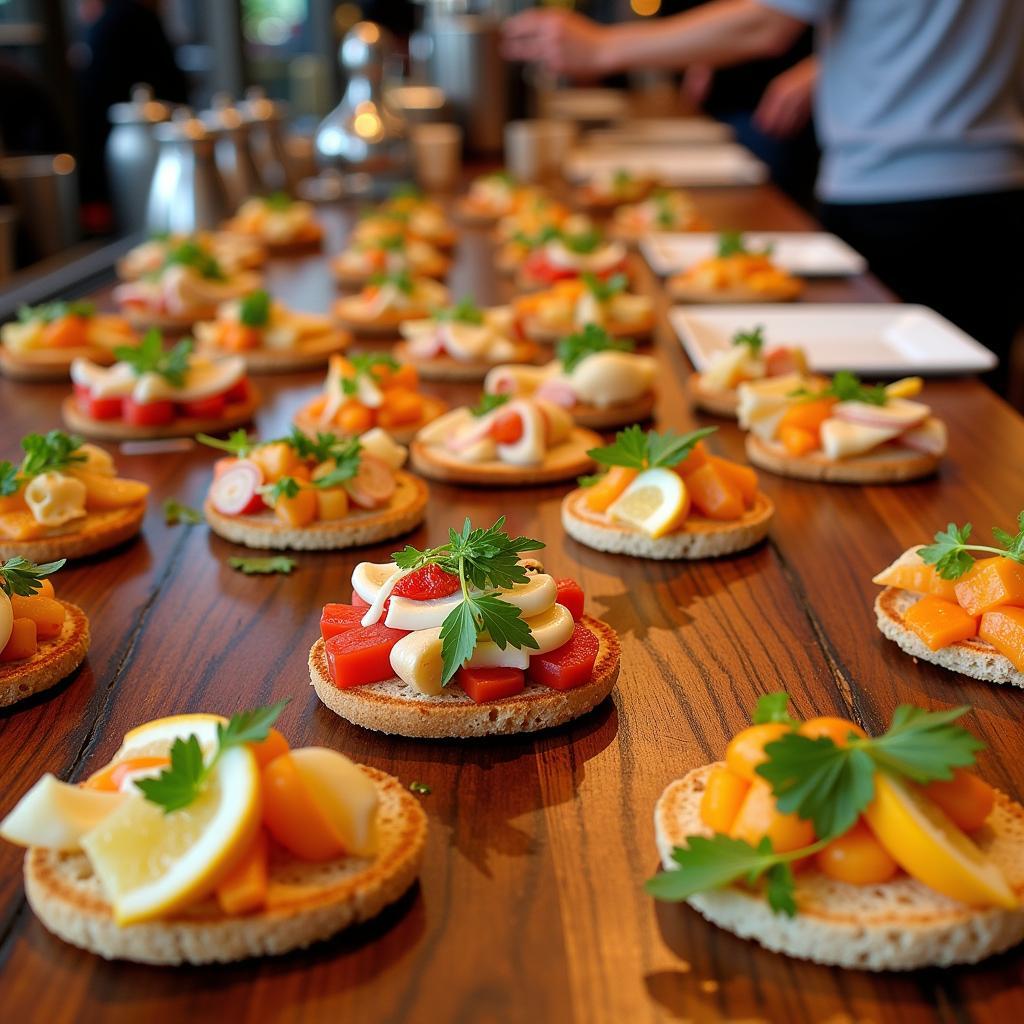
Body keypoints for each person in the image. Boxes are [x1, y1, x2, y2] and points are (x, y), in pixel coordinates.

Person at [504, 1, 1024, 395]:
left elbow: (767, 22)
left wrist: (604, 46)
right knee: (981, 441)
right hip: (997, 192)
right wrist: (832, 62)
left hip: (891, 199)